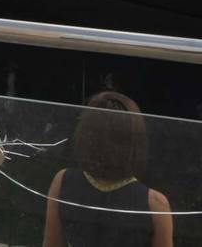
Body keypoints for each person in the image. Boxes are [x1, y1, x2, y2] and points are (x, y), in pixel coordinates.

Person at [42, 91, 172, 247]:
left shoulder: (63, 181)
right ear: (135, 141)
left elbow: (51, 243)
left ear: (85, 135)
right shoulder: (156, 205)